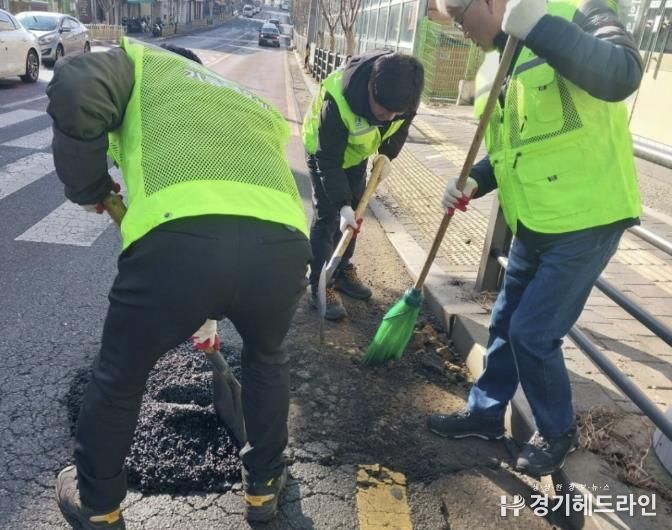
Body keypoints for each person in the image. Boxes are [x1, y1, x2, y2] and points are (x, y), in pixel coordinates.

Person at [47, 40, 311, 528]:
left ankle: (98, 505)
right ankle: (263, 488)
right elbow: (227, 199)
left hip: (179, 245)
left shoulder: (143, 66)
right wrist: (209, 307)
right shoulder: (241, 99)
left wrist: (89, 187)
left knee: (120, 375)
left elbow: (77, 83)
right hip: (284, 245)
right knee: (266, 358)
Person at [427, 0, 642, 477]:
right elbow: (510, 150)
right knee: (505, 322)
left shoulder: (573, 11)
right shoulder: (493, 65)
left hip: (587, 219)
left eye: (461, 18)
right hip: (533, 220)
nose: (461, 31)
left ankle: (558, 431)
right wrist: (473, 180)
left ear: (489, 2)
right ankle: (486, 415)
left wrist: (541, 28)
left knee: (533, 333)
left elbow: (623, 74)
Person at [302, 50, 424, 320]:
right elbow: (328, 160)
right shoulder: (338, 101)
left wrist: (387, 155)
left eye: (396, 112)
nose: (389, 117)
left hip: (356, 153)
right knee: (328, 217)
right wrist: (342, 205)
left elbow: (399, 130)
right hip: (323, 153)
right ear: (370, 86)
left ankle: (342, 269)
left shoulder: (406, 95)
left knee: (356, 212)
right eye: (383, 110)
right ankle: (320, 283)